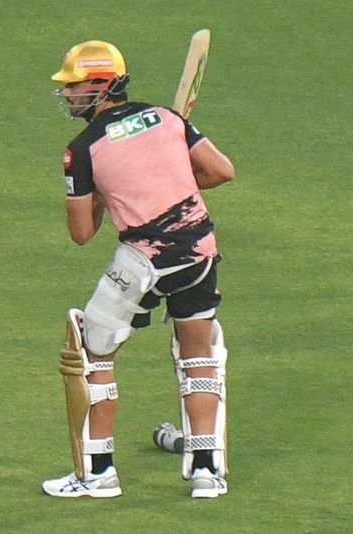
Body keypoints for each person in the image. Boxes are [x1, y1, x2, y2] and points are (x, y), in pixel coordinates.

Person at [41, 40, 235, 499]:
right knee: (199, 357)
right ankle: (207, 473)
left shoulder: (82, 149)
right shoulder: (168, 118)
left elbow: (81, 233)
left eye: (74, 86)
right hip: (199, 251)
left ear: (100, 85)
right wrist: (170, 181)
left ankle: (99, 473)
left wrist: (107, 194)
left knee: (93, 350)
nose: (67, 94)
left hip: (143, 260)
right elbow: (221, 171)